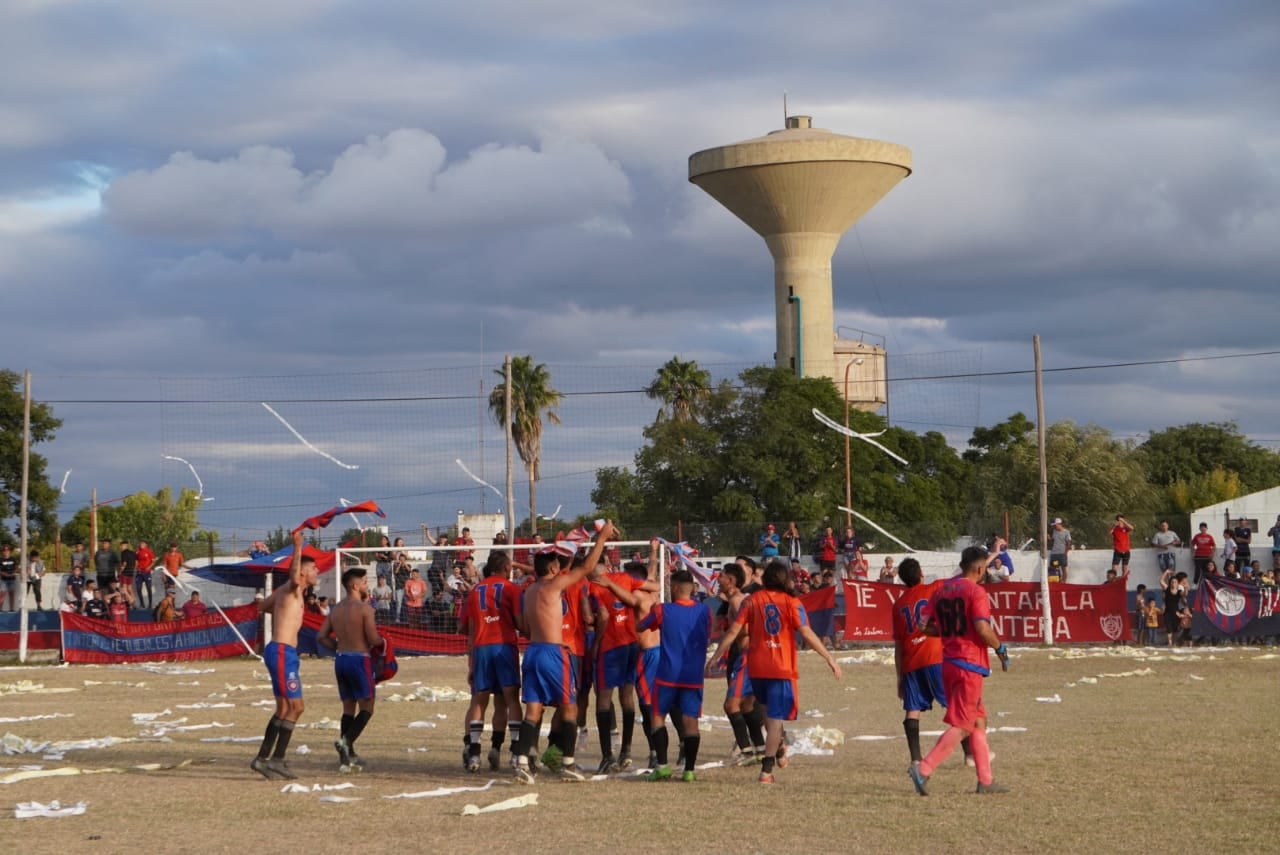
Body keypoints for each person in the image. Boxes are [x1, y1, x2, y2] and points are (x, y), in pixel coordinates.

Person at [707, 559, 842, 784]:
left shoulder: (752, 600)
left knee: (767, 713)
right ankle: (766, 769)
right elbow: (806, 632)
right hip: (781, 667)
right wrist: (829, 658)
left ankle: (776, 749)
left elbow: (733, 631)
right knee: (775, 717)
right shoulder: (792, 602)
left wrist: (715, 656)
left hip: (757, 667)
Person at [508, 521, 615, 784]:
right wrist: (601, 538)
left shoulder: (529, 590)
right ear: (554, 568)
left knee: (533, 710)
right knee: (570, 707)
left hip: (532, 652)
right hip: (555, 653)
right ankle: (567, 762)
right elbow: (588, 567)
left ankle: (522, 761)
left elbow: (523, 625)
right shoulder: (553, 586)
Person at [908, 546, 1011, 796]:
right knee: (964, 725)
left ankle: (985, 781)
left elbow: (922, 626)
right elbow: (983, 629)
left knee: (978, 721)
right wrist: (1000, 648)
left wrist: (947, 632)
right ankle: (924, 769)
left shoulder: (941, 590)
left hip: (949, 663)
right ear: (979, 568)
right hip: (969, 664)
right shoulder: (976, 592)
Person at [893, 558, 977, 771]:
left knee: (912, 710)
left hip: (911, 661)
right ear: (921, 573)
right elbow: (965, 576)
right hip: (935, 656)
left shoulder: (898, 604)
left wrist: (899, 676)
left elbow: (898, 644)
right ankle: (969, 754)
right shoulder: (935, 587)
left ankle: (915, 759)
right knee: (955, 706)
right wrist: (992, 556)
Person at [252, 530, 318, 780]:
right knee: (296, 707)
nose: (317, 573)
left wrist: (282, 614)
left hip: (281, 651)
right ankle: (274, 759)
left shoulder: (286, 593)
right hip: (282, 651)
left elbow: (262, 607)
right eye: (313, 569)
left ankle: (265, 760)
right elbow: (293, 576)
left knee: (284, 709)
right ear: (302, 572)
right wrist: (297, 547)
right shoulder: (292, 588)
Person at [636, 570, 712, 783]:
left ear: (676, 588)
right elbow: (707, 634)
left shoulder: (663, 610)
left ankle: (662, 766)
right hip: (693, 676)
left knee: (657, 718)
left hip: (667, 675)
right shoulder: (705, 612)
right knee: (691, 722)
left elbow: (641, 626)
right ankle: (689, 770)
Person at [588, 552, 658, 773]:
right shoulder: (625, 578)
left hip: (611, 646)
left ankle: (608, 756)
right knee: (628, 697)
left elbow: (602, 615)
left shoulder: (592, 587)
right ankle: (627, 750)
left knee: (604, 698)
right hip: (631, 644)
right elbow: (654, 585)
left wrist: (596, 642)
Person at [459, 551, 523, 773]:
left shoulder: (475, 591)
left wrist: (471, 661)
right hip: (504, 646)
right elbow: (520, 621)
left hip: (481, 648)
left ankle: (474, 753)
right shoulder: (510, 588)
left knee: (479, 700)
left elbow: (465, 627)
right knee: (509, 700)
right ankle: (513, 752)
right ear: (506, 568)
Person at [318, 567, 384, 772]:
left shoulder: (335, 609)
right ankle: (345, 741)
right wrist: (384, 642)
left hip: (341, 659)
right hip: (359, 659)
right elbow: (373, 639)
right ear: (355, 586)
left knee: (348, 706)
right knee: (367, 707)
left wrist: (337, 647)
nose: (367, 585)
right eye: (364, 582)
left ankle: (348, 755)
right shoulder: (365, 609)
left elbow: (321, 636)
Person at [134, 540, 156, 609]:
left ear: (146, 544)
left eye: (143, 543)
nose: (141, 544)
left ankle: (150, 604)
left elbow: (153, 561)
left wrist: (149, 567)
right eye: (140, 543)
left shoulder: (149, 551)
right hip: (139, 572)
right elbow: (136, 561)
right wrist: (136, 567)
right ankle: (142, 603)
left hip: (147, 572)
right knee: (138, 588)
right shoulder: (137, 552)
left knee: (149, 588)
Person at [1048, 518, 1071, 583]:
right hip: (1054, 553)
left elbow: (1069, 543)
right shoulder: (1054, 531)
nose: (1054, 527)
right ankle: (1056, 581)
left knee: (1063, 568)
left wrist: (1065, 553)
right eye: (1053, 526)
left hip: (1062, 553)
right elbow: (1053, 540)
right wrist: (1049, 538)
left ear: (1059, 524)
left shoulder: (1066, 532)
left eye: (1055, 525)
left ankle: (1064, 582)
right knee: (1053, 568)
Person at [0, 544, 20, 611]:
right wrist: (4, 574)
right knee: (2, 594)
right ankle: (0, 609)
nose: (6, 551)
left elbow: (17, 568)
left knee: (12, 594)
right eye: (4, 550)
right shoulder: (1, 560)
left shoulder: (13, 559)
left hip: (12, 579)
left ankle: (11, 609)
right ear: (2, 551)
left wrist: (14, 572)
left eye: (7, 550)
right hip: (3, 579)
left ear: (9, 551)